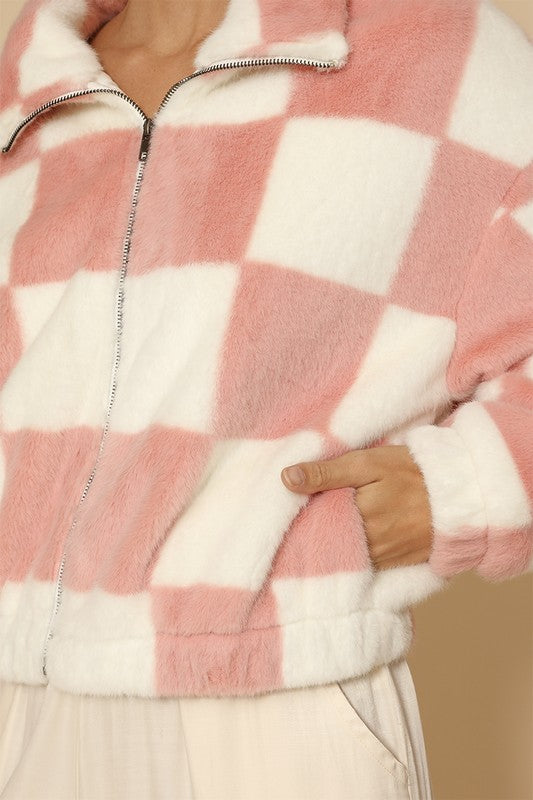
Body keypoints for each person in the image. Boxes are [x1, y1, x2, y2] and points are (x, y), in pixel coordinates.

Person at [0, 0, 531, 797]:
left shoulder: (441, 44)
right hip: (18, 701)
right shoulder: (30, 79)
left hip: (273, 702)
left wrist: (467, 486)